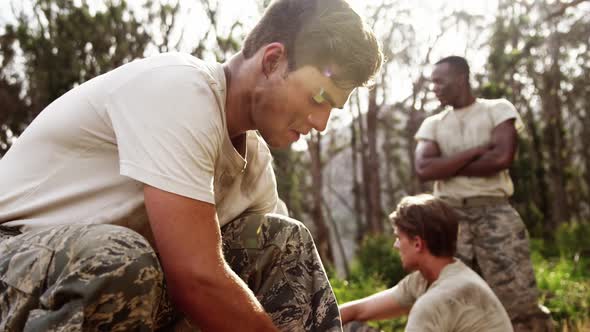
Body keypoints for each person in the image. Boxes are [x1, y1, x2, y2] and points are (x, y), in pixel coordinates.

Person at [0, 0, 383, 330]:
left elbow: (251, 288)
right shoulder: (178, 87)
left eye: (332, 108)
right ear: (273, 60)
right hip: (16, 259)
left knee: (284, 243)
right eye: (319, 97)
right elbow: (196, 278)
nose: (320, 123)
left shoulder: (254, 166)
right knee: (119, 259)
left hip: (116, 282)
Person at [413, 55, 553, 331]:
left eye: (440, 81)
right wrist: (477, 151)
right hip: (448, 218)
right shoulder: (433, 124)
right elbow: (424, 168)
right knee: (451, 300)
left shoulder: (498, 109)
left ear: (461, 78)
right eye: (432, 83)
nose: (435, 88)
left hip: (495, 213)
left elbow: (501, 158)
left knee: (519, 300)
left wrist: (448, 164)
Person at [339, 194, 513, 331]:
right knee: (346, 327)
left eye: (399, 238)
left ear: (417, 243)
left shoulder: (438, 299)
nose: (396, 245)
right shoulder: (427, 279)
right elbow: (358, 310)